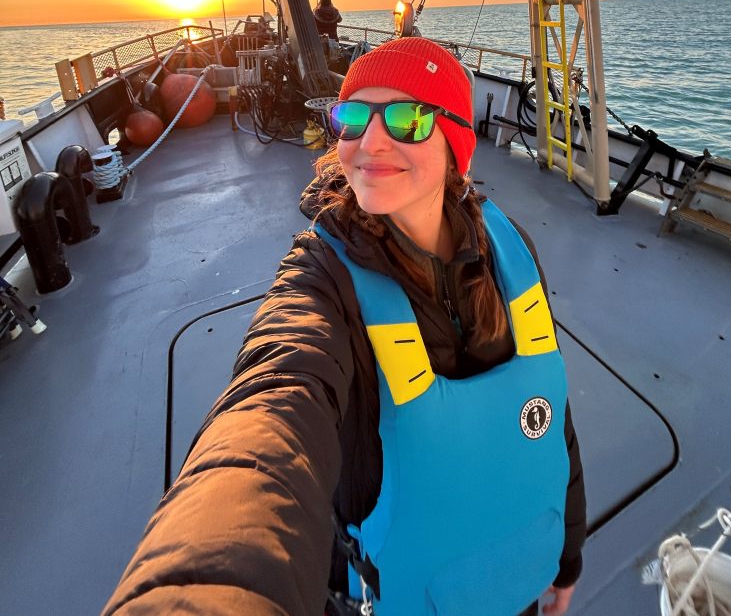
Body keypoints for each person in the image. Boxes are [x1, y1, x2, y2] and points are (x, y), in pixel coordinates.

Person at [104, 36, 586, 616]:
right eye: (353, 117)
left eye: (408, 117)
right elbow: (273, 408)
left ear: (458, 142)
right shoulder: (322, 278)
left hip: (512, 585)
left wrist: (568, 556)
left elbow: (549, 416)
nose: (371, 140)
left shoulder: (509, 250)